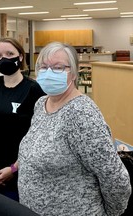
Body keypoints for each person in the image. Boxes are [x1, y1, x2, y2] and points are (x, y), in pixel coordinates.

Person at [18, 41, 131, 215]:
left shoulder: (81, 113)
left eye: (58, 68)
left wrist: (111, 213)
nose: (49, 73)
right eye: (43, 67)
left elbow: (114, 176)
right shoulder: (41, 104)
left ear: (73, 73)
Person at [0, 37, 45, 201]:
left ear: (20, 56)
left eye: (9, 53)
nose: (3, 58)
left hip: (21, 171)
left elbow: (40, 135)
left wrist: (14, 168)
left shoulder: (34, 90)